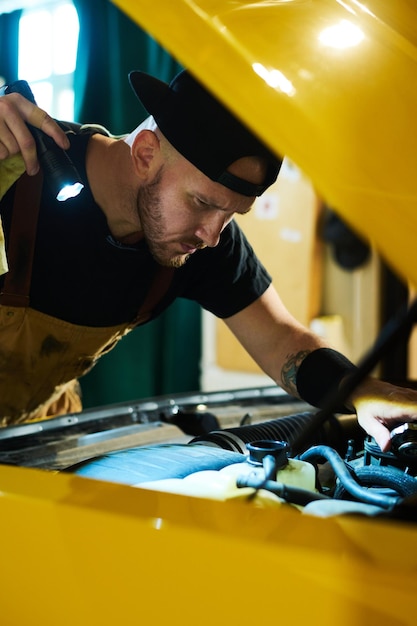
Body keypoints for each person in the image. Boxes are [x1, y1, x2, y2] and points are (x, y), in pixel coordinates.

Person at [0, 69, 417, 452]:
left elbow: (281, 341)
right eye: (201, 202)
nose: (211, 235)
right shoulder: (17, 173)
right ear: (145, 154)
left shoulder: (202, 244)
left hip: (36, 430)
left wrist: (363, 392)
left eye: (231, 213)